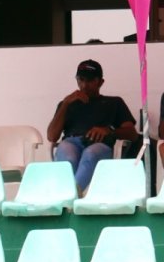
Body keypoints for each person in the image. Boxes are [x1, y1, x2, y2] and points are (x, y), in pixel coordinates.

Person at [47, 59, 136, 192]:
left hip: (100, 143)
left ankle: (71, 194)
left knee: (90, 154)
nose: (84, 85)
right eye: (81, 80)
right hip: (71, 141)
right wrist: (65, 104)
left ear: (100, 82)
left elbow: (132, 134)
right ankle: (73, 194)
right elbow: (52, 137)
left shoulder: (114, 102)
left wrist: (109, 130)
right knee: (68, 157)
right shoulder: (67, 104)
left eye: (90, 80)